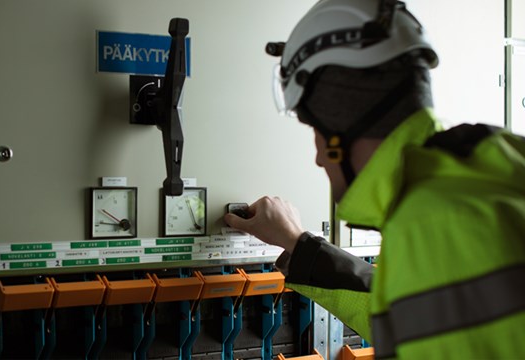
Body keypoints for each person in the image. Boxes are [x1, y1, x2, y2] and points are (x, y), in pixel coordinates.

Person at [224, 0, 525, 358]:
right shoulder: (487, 176)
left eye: (315, 131)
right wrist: (296, 242)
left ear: (341, 128)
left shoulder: (435, 221)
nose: (318, 157)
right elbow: (406, 312)